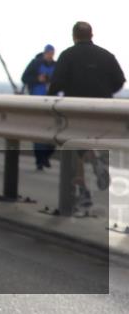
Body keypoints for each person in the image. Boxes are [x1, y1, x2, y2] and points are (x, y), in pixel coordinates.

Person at [48, 21, 125, 210]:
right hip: (103, 108)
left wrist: (50, 100)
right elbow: (120, 80)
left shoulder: (67, 55)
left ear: (74, 36)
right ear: (92, 35)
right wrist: (106, 92)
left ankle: (82, 190)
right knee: (91, 139)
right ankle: (97, 158)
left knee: (75, 147)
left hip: (76, 108)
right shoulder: (107, 56)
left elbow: (56, 83)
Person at [21, 44, 56, 169]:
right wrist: (38, 79)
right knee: (39, 132)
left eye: (52, 53)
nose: (50, 56)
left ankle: (45, 156)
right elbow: (24, 78)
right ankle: (40, 160)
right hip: (37, 102)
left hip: (52, 102)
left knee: (53, 132)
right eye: (49, 53)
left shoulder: (56, 65)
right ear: (44, 53)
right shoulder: (35, 63)